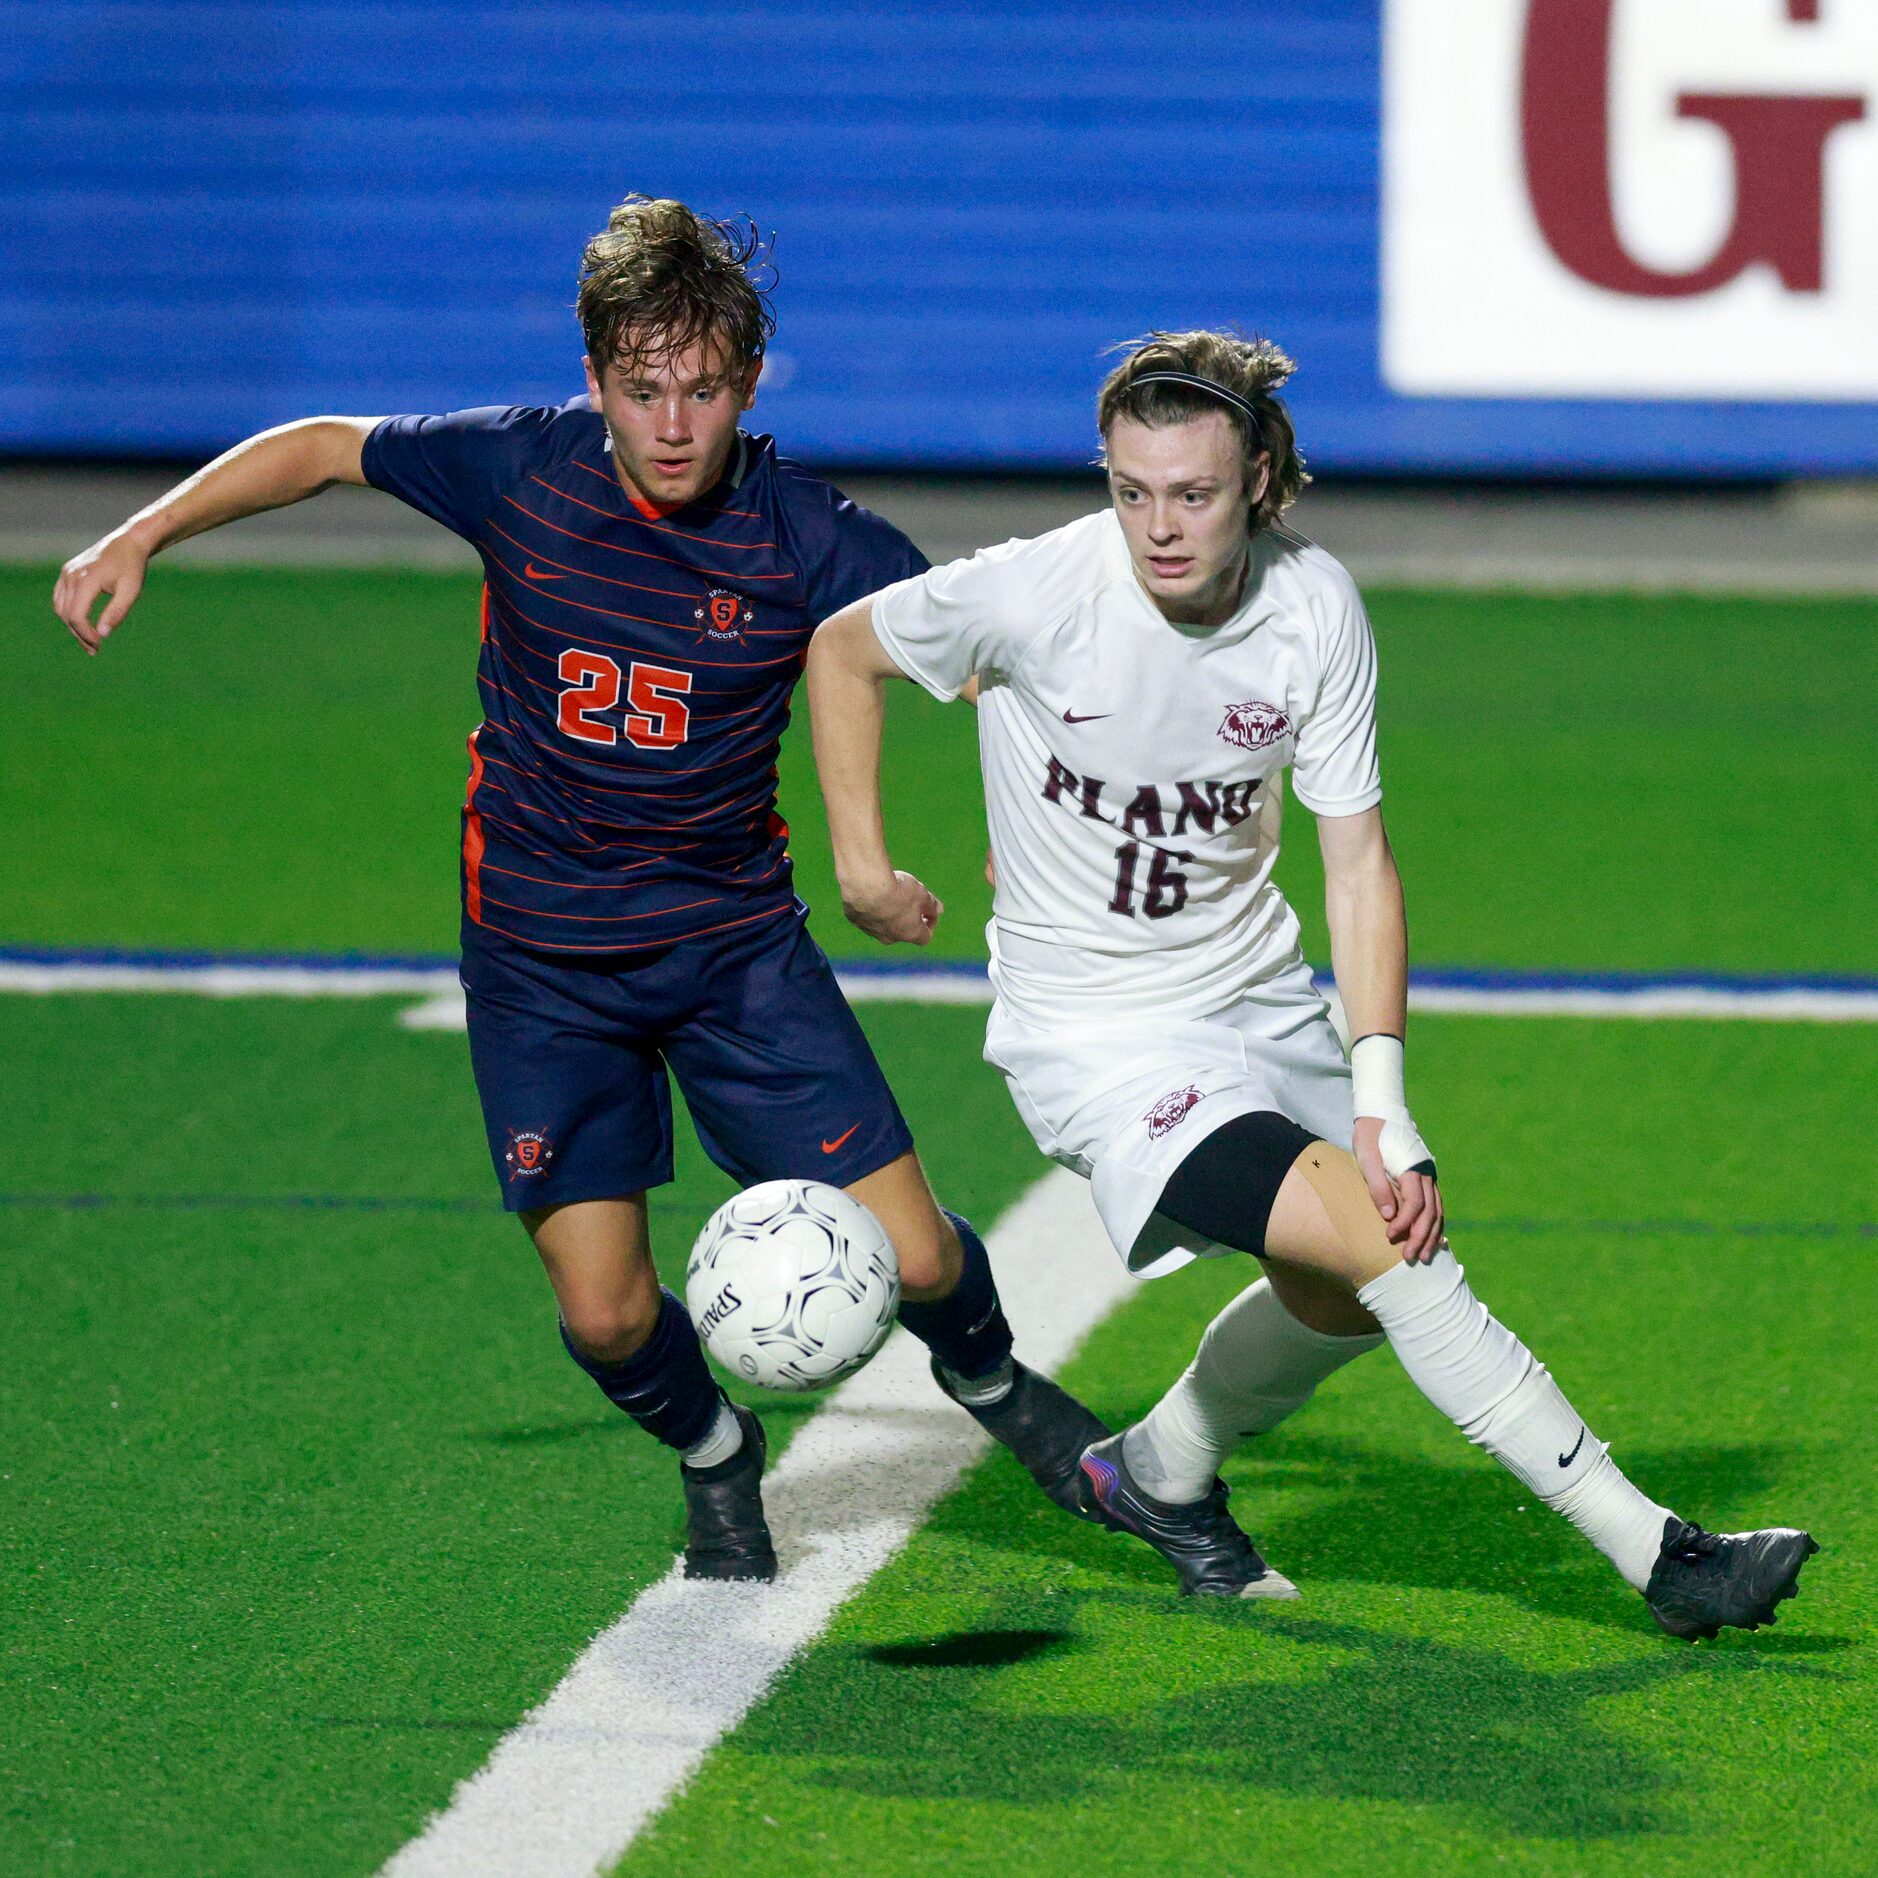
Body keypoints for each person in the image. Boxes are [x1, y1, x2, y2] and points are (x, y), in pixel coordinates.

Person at [50, 194, 1107, 1584]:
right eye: (641, 389)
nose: (673, 424)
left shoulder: (804, 536)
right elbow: (318, 448)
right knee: (608, 1317)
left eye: (705, 391)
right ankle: (718, 1453)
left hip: (736, 954)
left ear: (749, 380)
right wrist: (144, 530)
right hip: (542, 965)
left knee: (915, 1261)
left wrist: (1013, 826)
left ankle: (990, 1383)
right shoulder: (520, 474)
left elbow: (991, 663)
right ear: (594, 373)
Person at [805, 328, 1817, 1638]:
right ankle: (1657, 1553)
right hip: (1097, 1039)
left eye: (1193, 494)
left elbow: (1356, 863)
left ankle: (1156, 1471)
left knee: (1339, 1289)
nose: (1156, 527)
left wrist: (1380, 1093)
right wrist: (867, 867)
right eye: (1129, 490)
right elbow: (843, 652)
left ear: (1260, 482)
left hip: (1259, 997)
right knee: (1377, 1234)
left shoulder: (1311, 607)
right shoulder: (1031, 592)